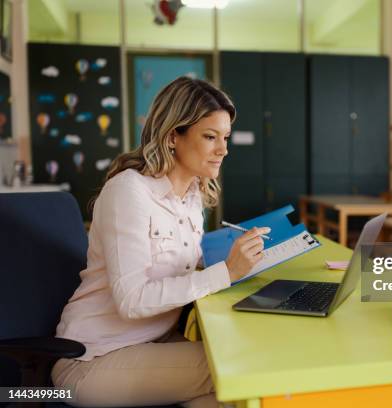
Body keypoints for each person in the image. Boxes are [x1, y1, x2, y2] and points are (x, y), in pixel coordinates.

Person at [51, 77, 269, 408]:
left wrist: (233, 262)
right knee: (236, 368)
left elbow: (179, 266)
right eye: (210, 137)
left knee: (230, 391)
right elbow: (133, 299)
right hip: (92, 359)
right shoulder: (128, 192)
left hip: (153, 343)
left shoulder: (192, 196)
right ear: (172, 137)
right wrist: (226, 272)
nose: (223, 149)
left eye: (225, 137)